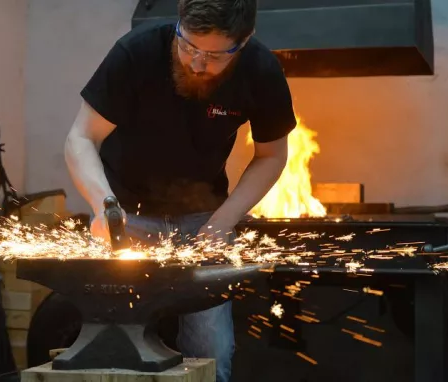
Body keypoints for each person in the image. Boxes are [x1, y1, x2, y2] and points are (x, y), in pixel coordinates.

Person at [64, 0, 296, 380]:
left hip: (205, 223)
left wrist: (225, 220)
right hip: (127, 218)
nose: (197, 63)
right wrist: (103, 205)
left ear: (246, 39)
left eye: (215, 56)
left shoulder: (260, 69)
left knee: (212, 349)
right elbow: (81, 138)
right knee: (116, 346)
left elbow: (271, 155)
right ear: (179, 23)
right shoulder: (136, 53)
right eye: (188, 46)